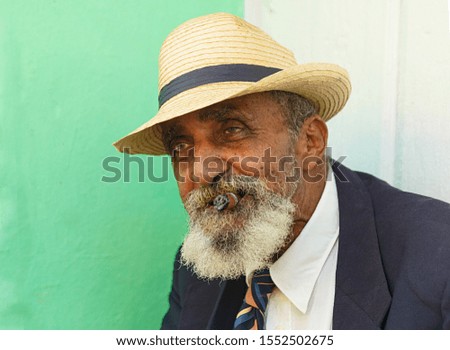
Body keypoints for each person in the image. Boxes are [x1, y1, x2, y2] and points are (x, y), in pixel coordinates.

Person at [113, 13, 450, 329]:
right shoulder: (199, 271)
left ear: (311, 141)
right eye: (180, 148)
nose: (202, 170)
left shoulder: (436, 258)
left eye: (232, 129)